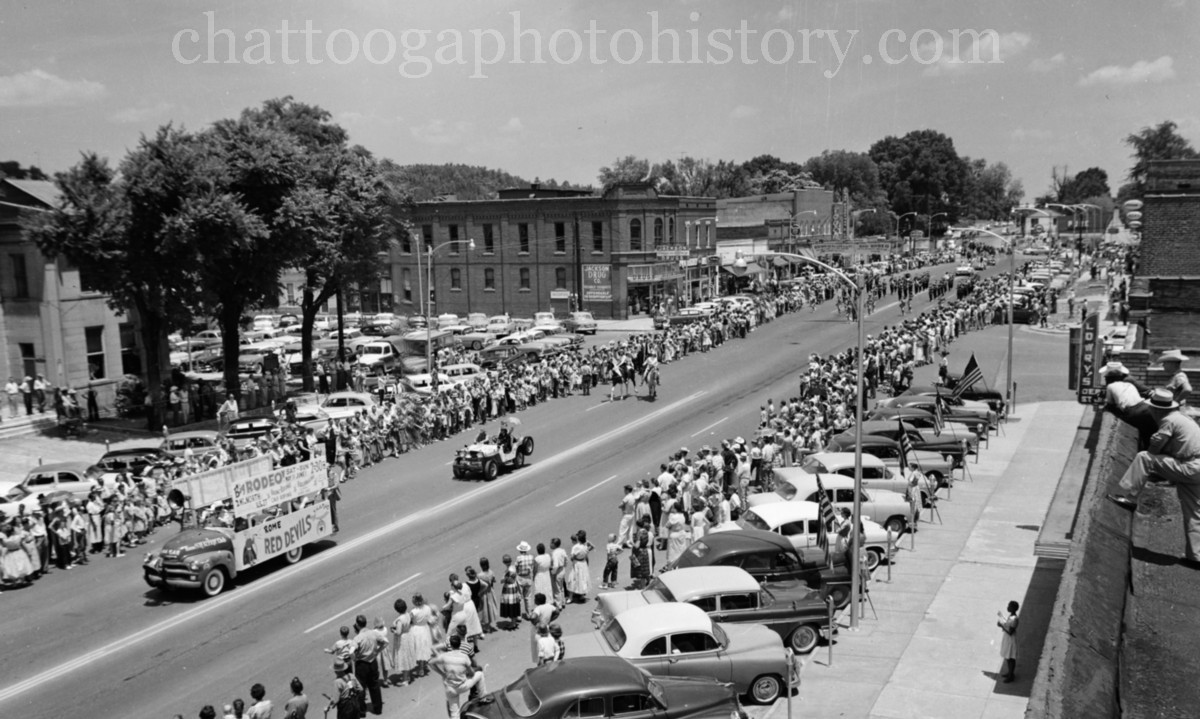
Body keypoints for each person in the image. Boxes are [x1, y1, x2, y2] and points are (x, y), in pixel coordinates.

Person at [1107, 388, 1200, 565]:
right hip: (1196, 468)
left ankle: (1128, 496)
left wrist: (1153, 458)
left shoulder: (1168, 420)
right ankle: (1196, 557)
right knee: (1195, 512)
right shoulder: (1182, 418)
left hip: (1188, 465)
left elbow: (1155, 449)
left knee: (1144, 457)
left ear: (1156, 409)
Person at [430, 634, 489, 719]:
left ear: (450, 645)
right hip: (463, 686)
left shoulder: (444, 656)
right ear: (460, 644)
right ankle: (482, 698)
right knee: (480, 674)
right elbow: (472, 673)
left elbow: (431, 663)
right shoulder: (464, 657)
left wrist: (442, 673)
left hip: (450, 689)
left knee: (455, 713)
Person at [1102, 362, 1156, 449]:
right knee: (1149, 436)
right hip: (1146, 407)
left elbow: (1110, 404)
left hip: (1133, 411)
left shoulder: (1111, 386)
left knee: (1138, 436)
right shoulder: (1129, 384)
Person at [352, 614, 386, 715]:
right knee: (374, 686)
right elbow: (385, 642)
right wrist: (377, 651)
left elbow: (351, 652)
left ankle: (362, 711)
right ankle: (378, 709)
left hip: (362, 664)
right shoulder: (374, 633)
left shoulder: (357, 638)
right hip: (373, 662)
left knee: (361, 688)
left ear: (358, 625)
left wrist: (354, 659)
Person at [997, 600, 1020, 682]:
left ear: (1013, 608)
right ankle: (1010, 672)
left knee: (1010, 658)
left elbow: (1010, 632)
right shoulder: (1011, 616)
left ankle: (1011, 675)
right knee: (1008, 657)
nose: (1008, 607)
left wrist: (1001, 626)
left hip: (1010, 640)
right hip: (1007, 639)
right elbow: (1007, 623)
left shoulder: (1015, 619)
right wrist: (1002, 617)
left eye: (1009, 606)